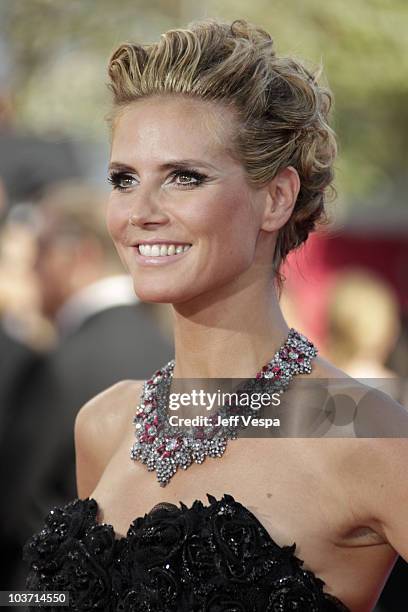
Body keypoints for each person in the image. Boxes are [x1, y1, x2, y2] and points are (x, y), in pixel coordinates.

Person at [22, 18, 408, 611]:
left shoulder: (365, 431)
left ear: (276, 197)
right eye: (124, 179)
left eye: (184, 178)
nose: (140, 212)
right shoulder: (104, 424)